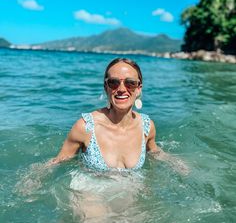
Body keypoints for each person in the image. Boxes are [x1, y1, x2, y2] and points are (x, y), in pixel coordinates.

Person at [49, 57, 189, 174]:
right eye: (113, 82)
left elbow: (154, 151)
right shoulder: (85, 127)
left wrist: (177, 163)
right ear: (106, 87)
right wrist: (33, 179)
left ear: (139, 88)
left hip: (131, 192)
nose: (122, 89)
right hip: (92, 195)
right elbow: (59, 161)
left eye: (130, 83)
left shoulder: (147, 127)